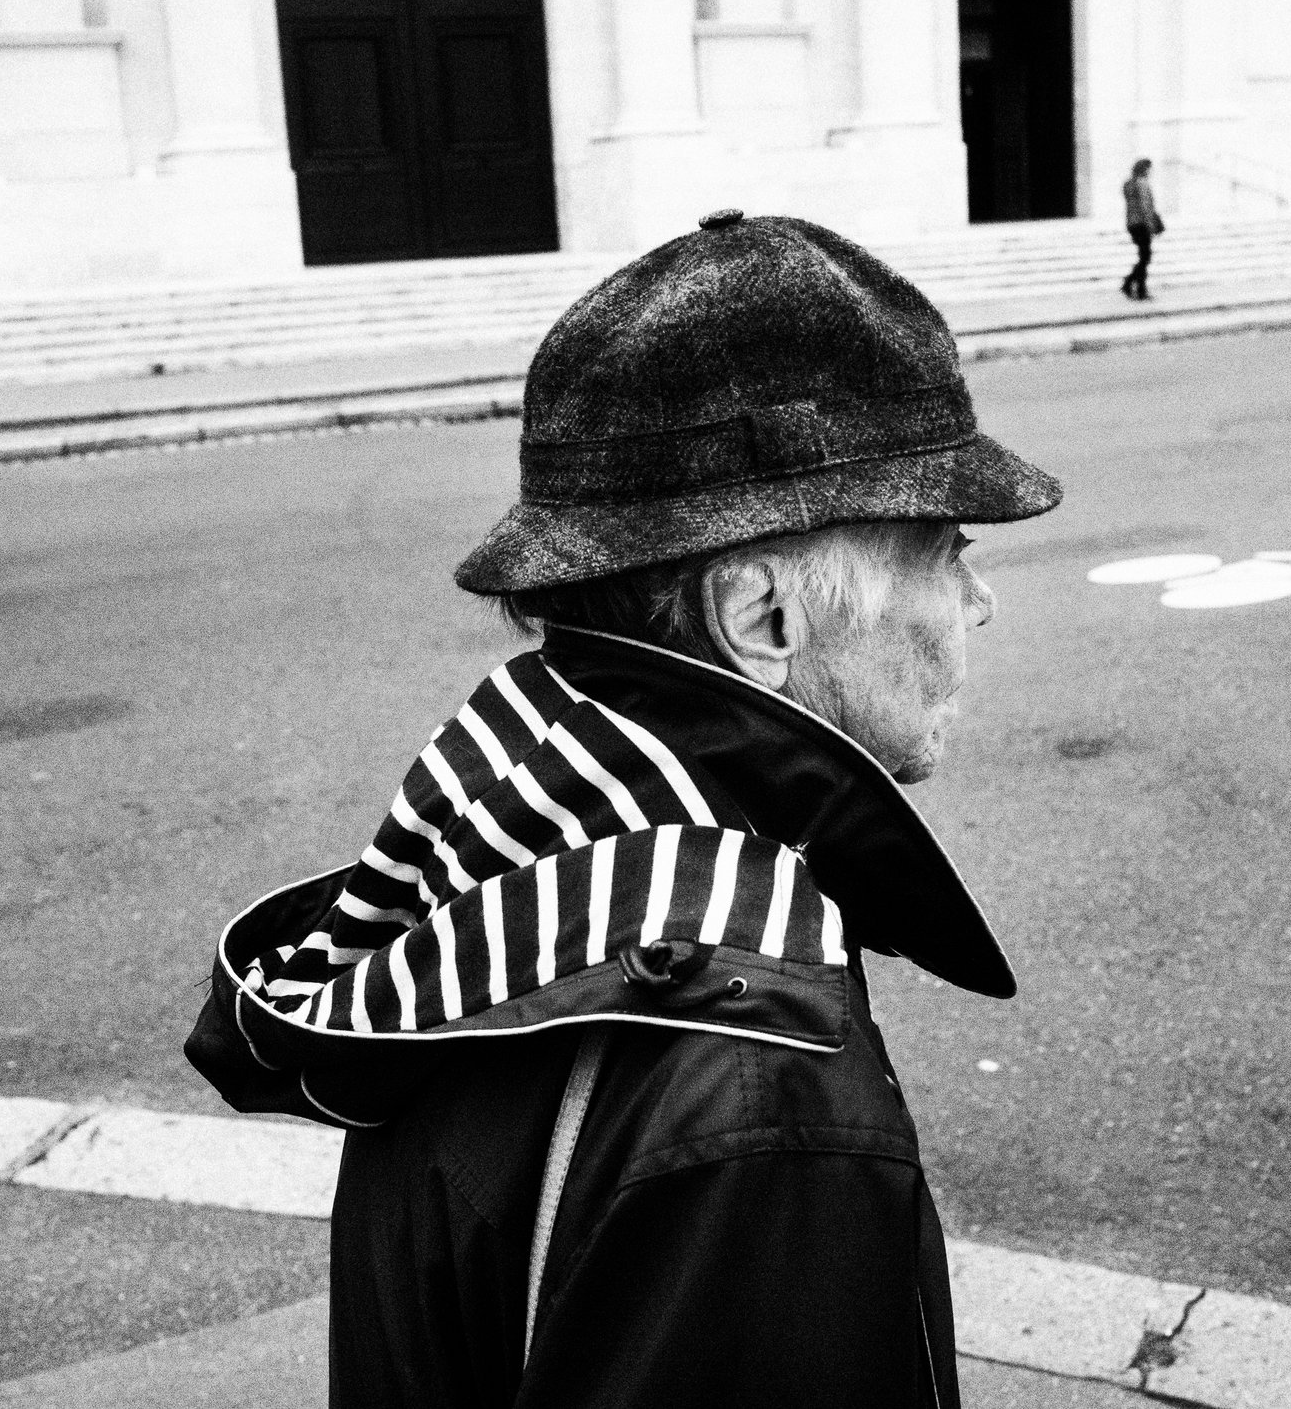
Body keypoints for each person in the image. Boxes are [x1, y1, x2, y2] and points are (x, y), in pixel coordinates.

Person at [186, 209, 1062, 1408]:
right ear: (764, 618)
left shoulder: (500, 870)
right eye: (945, 549)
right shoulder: (754, 1088)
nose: (976, 603)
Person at [1121, 157, 1161, 299]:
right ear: (1145, 169)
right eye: (1149, 169)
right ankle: (1137, 288)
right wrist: (1151, 225)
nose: (1151, 172)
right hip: (1142, 224)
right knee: (1146, 257)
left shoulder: (1128, 183)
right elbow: (1145, 207)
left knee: (1144, 256)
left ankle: (1130, 283)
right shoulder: (1142, 183)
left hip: (1131, 223)